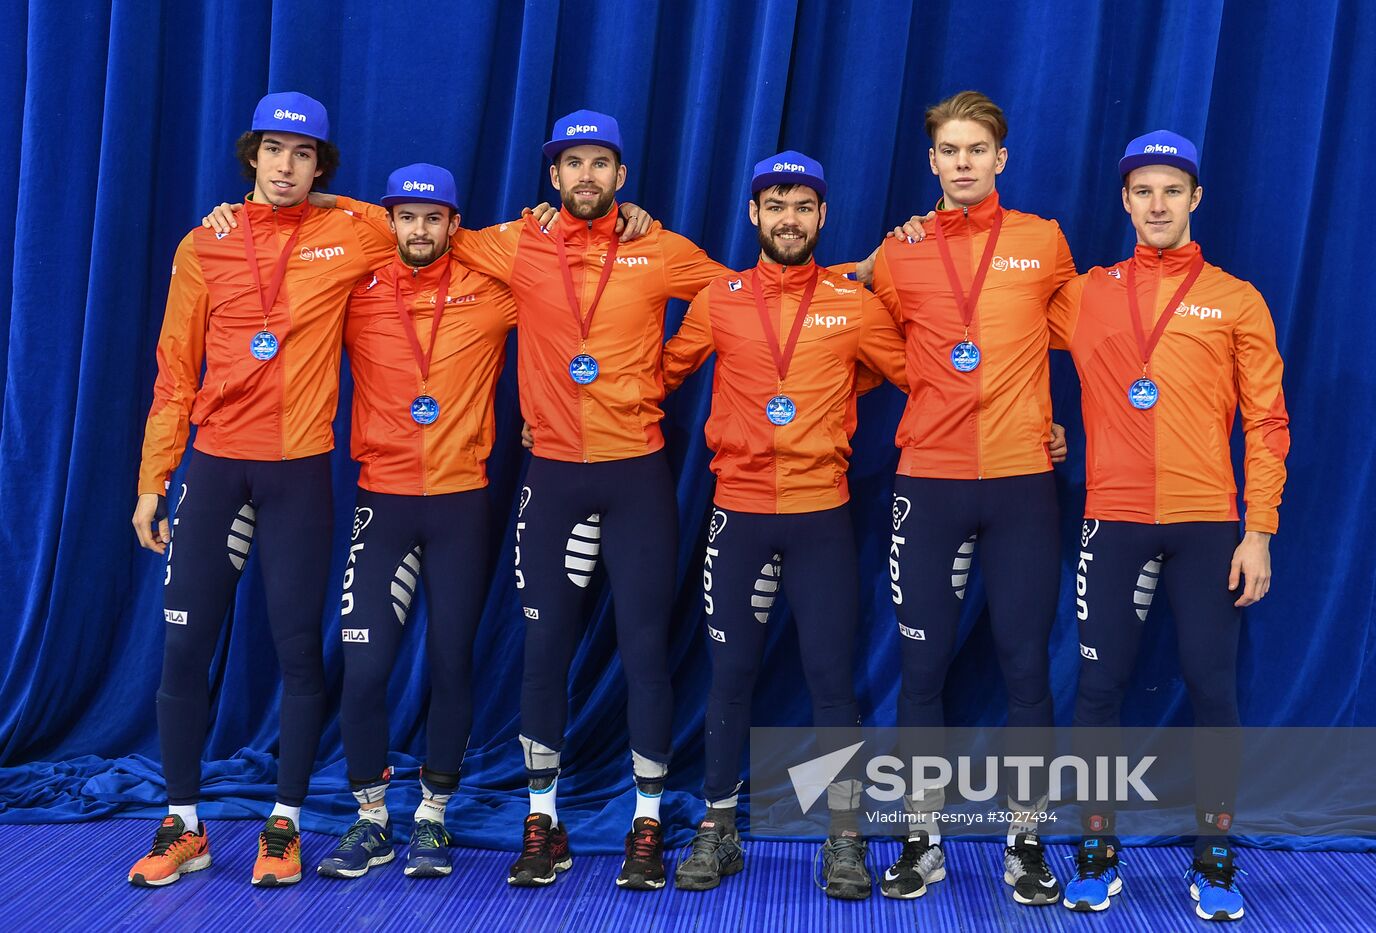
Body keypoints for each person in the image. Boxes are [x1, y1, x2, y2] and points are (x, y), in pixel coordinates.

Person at [318, 110, 731, 890]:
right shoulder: (511, 244)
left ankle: (646, 825)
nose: (585, 177)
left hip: (637, 473)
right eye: (572, 163)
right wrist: (293, 202)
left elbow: (739, 297)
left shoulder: (655, 246)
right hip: (550, 479)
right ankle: (542, 822)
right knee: (543, 655)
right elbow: (409, 227)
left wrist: (665, 372)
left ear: (621, 177)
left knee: (644, 650)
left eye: (600, 164)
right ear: (552, 176)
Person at [128, 91, 395, 887]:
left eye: (303, 154)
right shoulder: (202, 244)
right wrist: (153, 481)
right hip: (212, 465)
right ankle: (184, 823)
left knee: (296, 652)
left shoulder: (351, 235)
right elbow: (175, 371)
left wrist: (333, 202)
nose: (285, 166)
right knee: (183, 647)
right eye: (274, 150)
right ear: (252, 155)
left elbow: (422, 235)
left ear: (321, 167)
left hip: (299, 471)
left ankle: (285, 824)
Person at [1049, 130, 1287, 922]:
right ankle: (1095, 846)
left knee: (1213, 688)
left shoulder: (1237, 297)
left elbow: (1267, 420)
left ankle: (1215, 857)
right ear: (1124, 200)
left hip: (1207, 524)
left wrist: (1260, 529)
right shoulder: (1083, 293)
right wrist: (905, 238)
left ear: (1195, 200)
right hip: (1111, 518)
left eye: (1171, 191)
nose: (1157, 205)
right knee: (1097, 688)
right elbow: (989, 333)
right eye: (1143, 191)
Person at [661, 152, 907, 899]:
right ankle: (719, 829)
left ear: (822, 217)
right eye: (776, 205)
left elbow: (923, 376)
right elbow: (661, 374)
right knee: (729, 677)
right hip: (736, 514)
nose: (789, 218)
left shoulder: (852, 302)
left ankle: (843, 837)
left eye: (803, 205)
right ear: (754, 215)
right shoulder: (719, 298)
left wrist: (1035, 428)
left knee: (832, 682)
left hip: (820, 516)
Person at [856, 90, 1074, 904]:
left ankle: (1026, 841)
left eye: (976, 149)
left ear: (1000, 159)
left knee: (1025, 668)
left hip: (1022, 481)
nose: (962, 163)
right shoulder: (900, 250)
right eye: (948, 150)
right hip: (930, 479)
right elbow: (848, 319)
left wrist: (1049, 424)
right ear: (932, 162)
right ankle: (923, 837)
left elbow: (1095, 332)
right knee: (921, 667)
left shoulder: (1044, 243)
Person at [308, 164, 515, 880]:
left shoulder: (494, 291)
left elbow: (572, 281)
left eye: (435, 218)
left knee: (453, 664)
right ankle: (372, 820)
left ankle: (432, 817)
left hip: (462, 503)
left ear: (456, 226)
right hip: (383, 501)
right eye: (407, 217)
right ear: (389, 222)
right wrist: (325, 198)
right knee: (364, 669)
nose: (420, 230)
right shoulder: (354, 291)